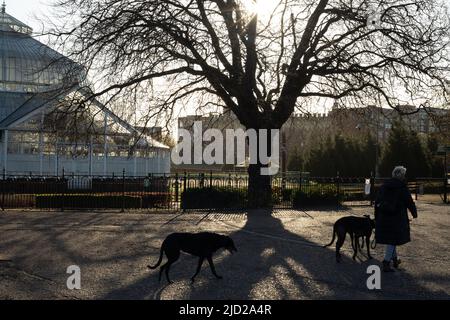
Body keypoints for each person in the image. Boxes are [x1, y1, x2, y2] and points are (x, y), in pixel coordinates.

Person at [375, 166, 417, 272]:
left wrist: (377, 216)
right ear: (402, 176)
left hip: (383, 216)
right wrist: (414, 213)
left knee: (391, 239)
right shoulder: (402, 187)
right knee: (393, 240)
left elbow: (377, 201)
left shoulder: (384, 185)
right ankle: (386, 262)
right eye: (404, 175)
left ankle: (395, 259)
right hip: (397, 217)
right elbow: (409, 202)